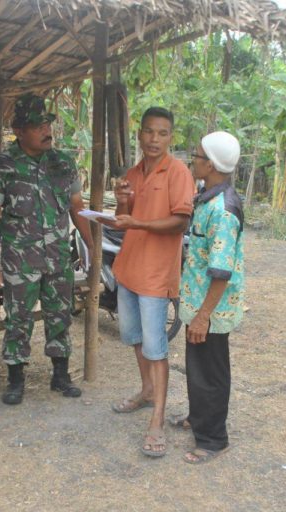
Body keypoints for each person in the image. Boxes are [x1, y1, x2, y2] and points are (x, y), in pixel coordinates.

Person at [0, 93, 93, 405]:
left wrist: (92, 248)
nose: (46, 130)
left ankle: (61, 376)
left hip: (58, 259)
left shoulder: (64, 164)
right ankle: (15, 379)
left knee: (60, 316)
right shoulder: (3, 166)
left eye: (47, 124)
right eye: (37, 126)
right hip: (20, 261)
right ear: (19, 131)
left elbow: (77, 208)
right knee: (18, 319)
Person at [107, 107, 195, 458]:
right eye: (148, 132)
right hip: (128, 268)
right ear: (139, 134)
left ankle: (157, 420)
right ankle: (146, 391)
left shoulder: (178, 172)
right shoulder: (132, 172)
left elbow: (180, 223)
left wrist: (139, 223)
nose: (154, 139)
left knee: (156, 349)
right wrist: (122, 200)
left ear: (170, 136)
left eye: (162, 133)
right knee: (134, 339)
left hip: (156, 276)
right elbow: (121, 220)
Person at [178, 131, 244, 464]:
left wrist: (204, 315)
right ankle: (198, 416)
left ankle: (214, 438)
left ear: (212, 164)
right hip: (199, 304)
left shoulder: (223, 211)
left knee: (211, 372)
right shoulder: (207, 196)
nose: (194, 159)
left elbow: (221, 271)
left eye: (198, 155)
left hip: (212, 309)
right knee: (197, 366)